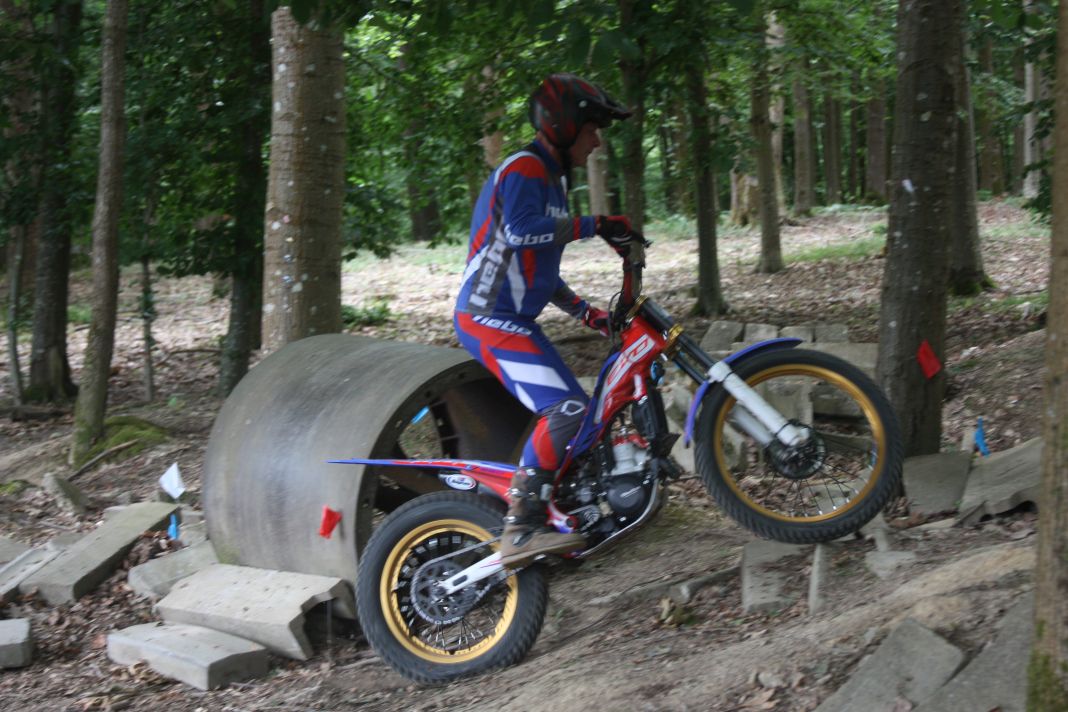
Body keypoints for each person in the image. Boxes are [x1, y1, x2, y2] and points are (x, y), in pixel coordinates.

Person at [454, 73, 641, 568]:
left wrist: (587, 313)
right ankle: (520, 527)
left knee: (578, 412)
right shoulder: (525, 168)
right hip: (488, 317)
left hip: (514, 318)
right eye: (591, 130)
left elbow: (539, 268)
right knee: (566, 409)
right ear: (563, 125)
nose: (597, 142)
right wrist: (597, 224)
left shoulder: (552, 180)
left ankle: (564, 510)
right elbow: (521, 233)